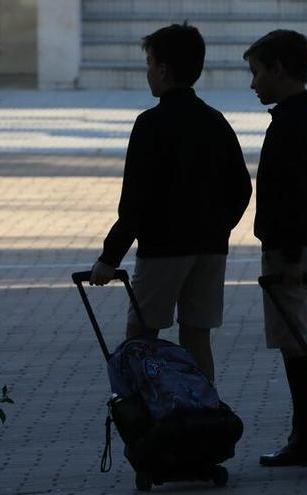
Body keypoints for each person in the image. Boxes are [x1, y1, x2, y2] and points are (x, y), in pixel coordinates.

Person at [89, 23, 252, 382]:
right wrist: (216, 226)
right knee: (197, 336)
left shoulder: (150, 124)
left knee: (142, 337)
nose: (148, 72)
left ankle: (149, 419)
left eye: (149, 63)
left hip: (163, 248)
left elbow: (135, 200)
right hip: (210, 248)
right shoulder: (215, 121)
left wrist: (109, 256)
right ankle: (204, 413)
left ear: (163, 69)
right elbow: (241, 188)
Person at [244, 30, 307, 467]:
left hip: (294, 251)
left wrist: (285, 256)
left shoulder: (287, 125)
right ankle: (306, 434)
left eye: (257, 73)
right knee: (299, 338)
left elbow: (286, 198)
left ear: (278, 70)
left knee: (294, 345)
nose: (253, 84)